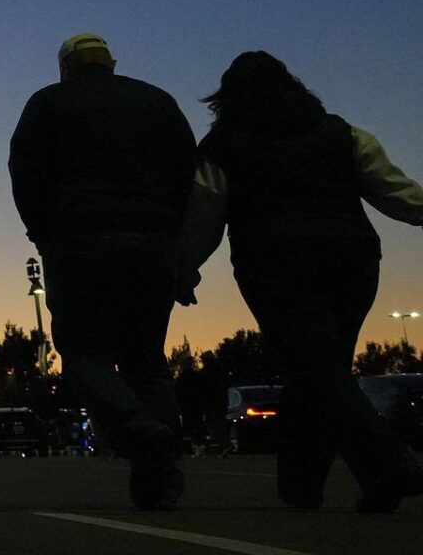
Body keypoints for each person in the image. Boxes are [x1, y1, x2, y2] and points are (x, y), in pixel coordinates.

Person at [176, 51, 423, 512]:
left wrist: (182, 269)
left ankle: (388, 464)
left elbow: (203, 217)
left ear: (225, 99)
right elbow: (395, 191)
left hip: (275, 267)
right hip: (352, 262)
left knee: (314, 371)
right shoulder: (342, 133)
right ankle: (303, 486)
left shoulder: (221, 145)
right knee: (318, 373)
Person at [9, 32, 196, 510]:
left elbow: (25, 169)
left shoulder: (48, 103)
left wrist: (41, 230)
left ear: (66, 67)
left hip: (78, 241)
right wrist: (173, 233)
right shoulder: (158, 101)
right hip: (153, 241)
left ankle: (135, 427)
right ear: (110, 63)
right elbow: (186, 171)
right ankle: (159, 476)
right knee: (147, 358)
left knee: (85, 353)